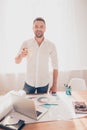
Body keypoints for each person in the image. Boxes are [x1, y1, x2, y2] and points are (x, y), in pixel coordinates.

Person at [15, 17, 58, 94]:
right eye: (36, 26)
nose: (39, 29)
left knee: (42, 106)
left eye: (41, 27)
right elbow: (16, 61)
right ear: (33, 28)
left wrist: (54, 85)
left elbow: (55, 66)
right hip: (29, 83)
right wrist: (21, 56)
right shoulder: (26, 43)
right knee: (26, 105)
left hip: (44, 84)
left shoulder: (51, 45)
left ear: (45, 28)